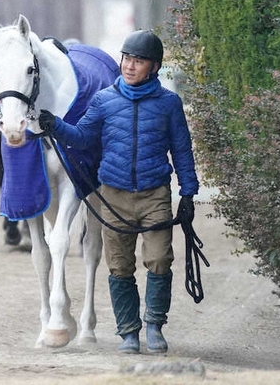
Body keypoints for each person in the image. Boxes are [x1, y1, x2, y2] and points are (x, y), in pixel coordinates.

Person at [37, 30, 198, 355]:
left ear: (154, 67)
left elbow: (182, 150)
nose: (129, 65)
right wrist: (54, 124)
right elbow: (82, 136)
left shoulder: (169, 104)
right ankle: (128, 332)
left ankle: (153, 325)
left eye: (138, 61)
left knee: (158, 260)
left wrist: (188, 193)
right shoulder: (105, 100)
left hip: (155, 194)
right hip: (113, 194)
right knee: (120, 265)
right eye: (126, 59)